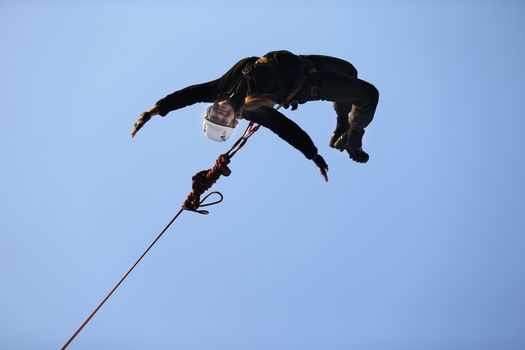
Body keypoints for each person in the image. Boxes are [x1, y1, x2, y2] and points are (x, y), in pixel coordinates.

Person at [131, 50, 379, 181]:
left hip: (302, 62)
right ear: (233, 121)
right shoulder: (254, 111)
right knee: (368, 95)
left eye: (213, 114)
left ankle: (341, 126)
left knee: (350, 72)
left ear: (211, 108)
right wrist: (313, 155)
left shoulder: (219, 88)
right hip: (307, 83)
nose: (220, 113)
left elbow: (186, 95)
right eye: (222, 119)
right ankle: (354, 141)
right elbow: (287, 130)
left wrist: (151, 112)